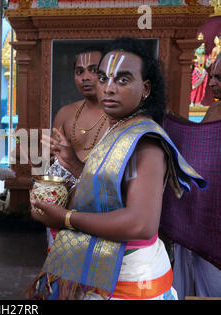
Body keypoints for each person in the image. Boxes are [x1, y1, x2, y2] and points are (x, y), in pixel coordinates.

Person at [27, 37, 207, 300]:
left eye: (122, 80)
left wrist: (65, 218)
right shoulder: (120, 126)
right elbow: (112, 188)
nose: (108, 89)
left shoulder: (146, 142)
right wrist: (74, 163)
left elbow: (140, 223)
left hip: (129, 278)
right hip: (105, 263)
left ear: (145, 88)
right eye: (103, 79)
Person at [160, 53, 221, 299]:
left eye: (220, 77)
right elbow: (199, 147)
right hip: (200, 213)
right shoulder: (215, 108)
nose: (213, 83)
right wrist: (169, 122)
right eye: (212, 76)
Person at [46, 47, 108, 249]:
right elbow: (51, 162)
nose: (86, 77)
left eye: (93, 70)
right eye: (80, 71)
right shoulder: (65, 113)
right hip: (60, 211)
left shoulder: (118, 116)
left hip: (99, 211)